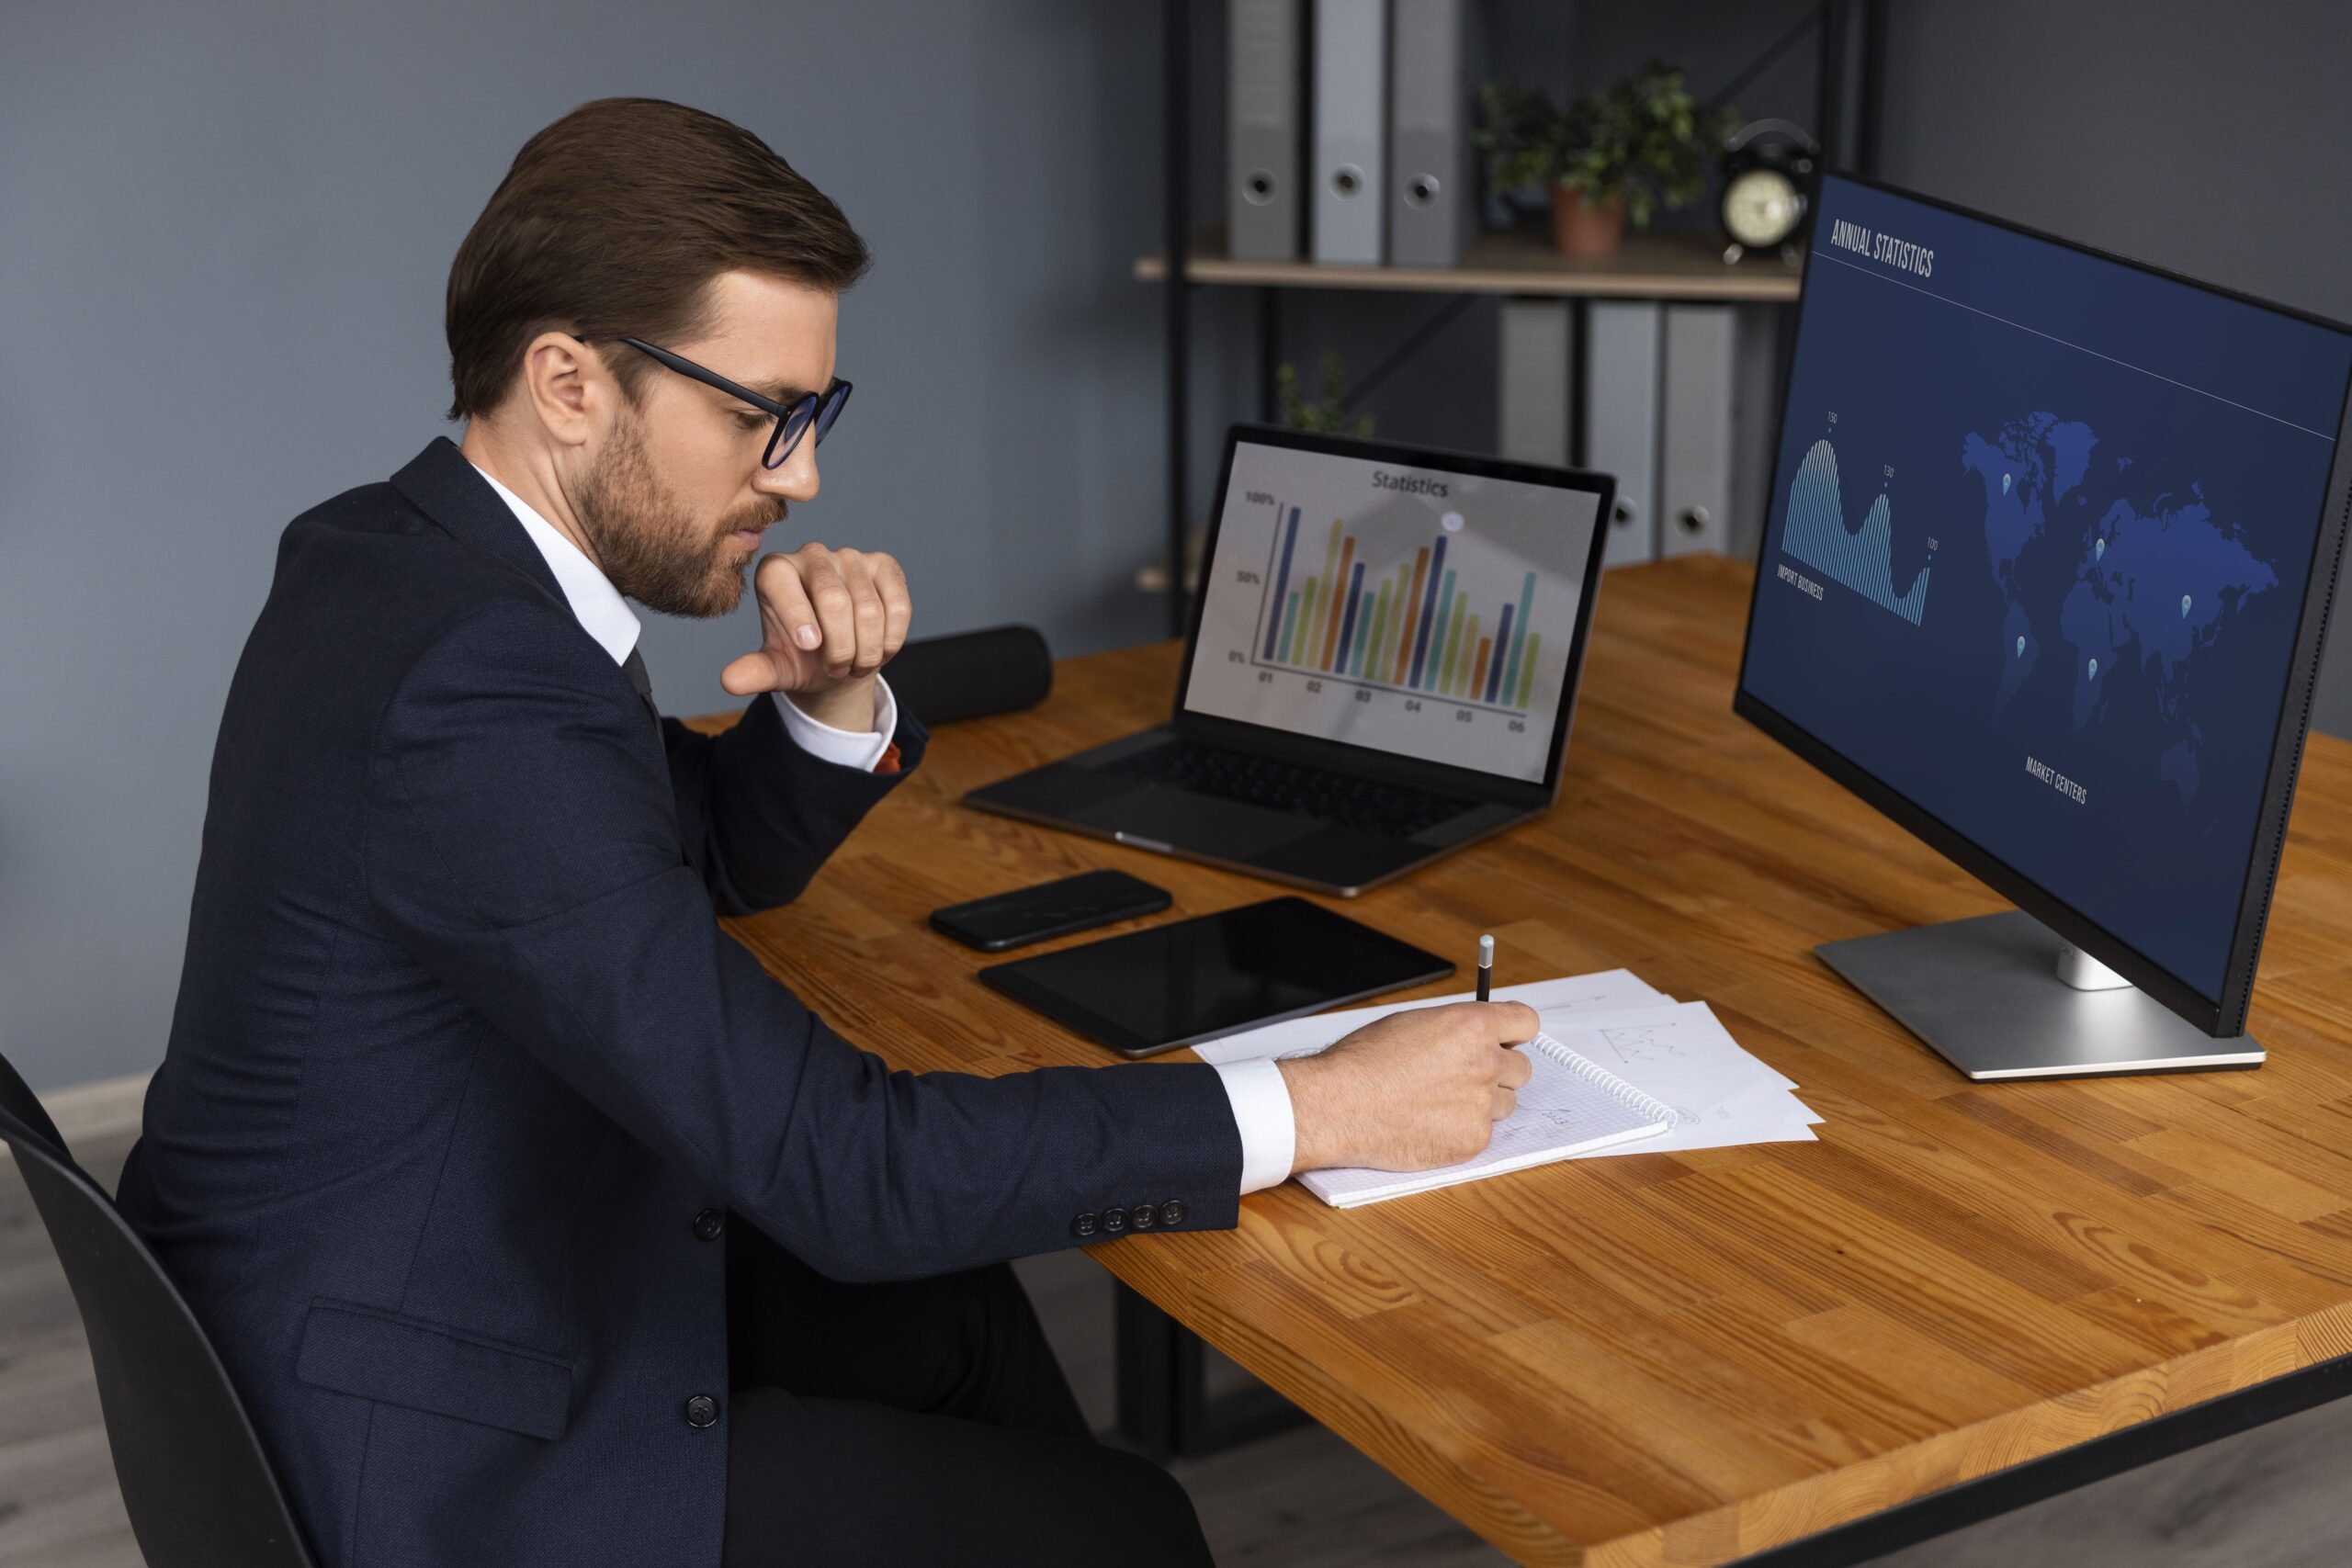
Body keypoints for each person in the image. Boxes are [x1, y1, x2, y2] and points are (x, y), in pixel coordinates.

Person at [113, 96, 1539, 1568]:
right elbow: (844, 1172)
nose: (799, 476)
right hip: (436, 1453)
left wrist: (832, 705)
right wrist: (1323, 1107)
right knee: (1126, 1528)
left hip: (401, 1286)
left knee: (958, 1314)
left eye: (814, 415)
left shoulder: (398, 557)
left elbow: (665, 859)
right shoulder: (478, 687)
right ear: (567, 381)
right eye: (758, 415)